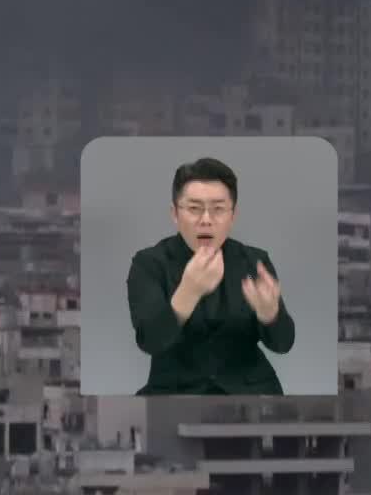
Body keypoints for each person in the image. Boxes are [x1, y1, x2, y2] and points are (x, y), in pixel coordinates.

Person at [126, 156, 294, 395]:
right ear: (175, 214)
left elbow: (283, 344)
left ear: (233, 216)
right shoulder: (149, 264)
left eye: (218, 209)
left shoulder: (253, 261)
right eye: (194, 209)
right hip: (175, 394)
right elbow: (150, 340)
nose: (206, 220)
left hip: (250, 394)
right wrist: (188, 292)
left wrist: (270, 315)